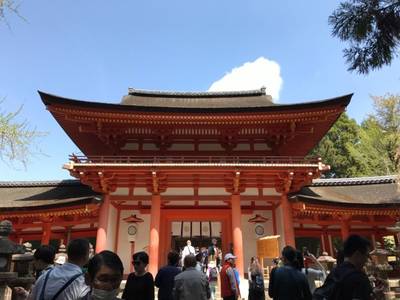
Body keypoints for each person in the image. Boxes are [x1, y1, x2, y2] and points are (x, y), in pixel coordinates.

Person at [319, 235, 373, 300]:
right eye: (367, 256)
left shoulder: (333, 273)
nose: (367, 260)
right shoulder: (359, 277)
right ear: (357, 254)